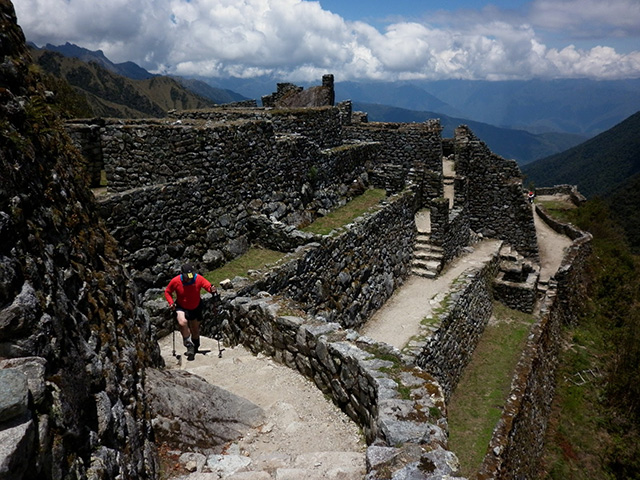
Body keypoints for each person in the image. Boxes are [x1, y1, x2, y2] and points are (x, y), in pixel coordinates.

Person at [164, 264, 217, 360]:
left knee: (195, 329)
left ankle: (195, 346)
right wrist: (171, 303)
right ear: (182, 274)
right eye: (186, 277)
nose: (189, 279)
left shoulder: (198, 278)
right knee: (182, 322)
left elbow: (207, 286)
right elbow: (168, 291)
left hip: (195, 307)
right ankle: (189, 345)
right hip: (181, 306)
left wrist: (211, 289)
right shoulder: (176, 281)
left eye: (190, 277)